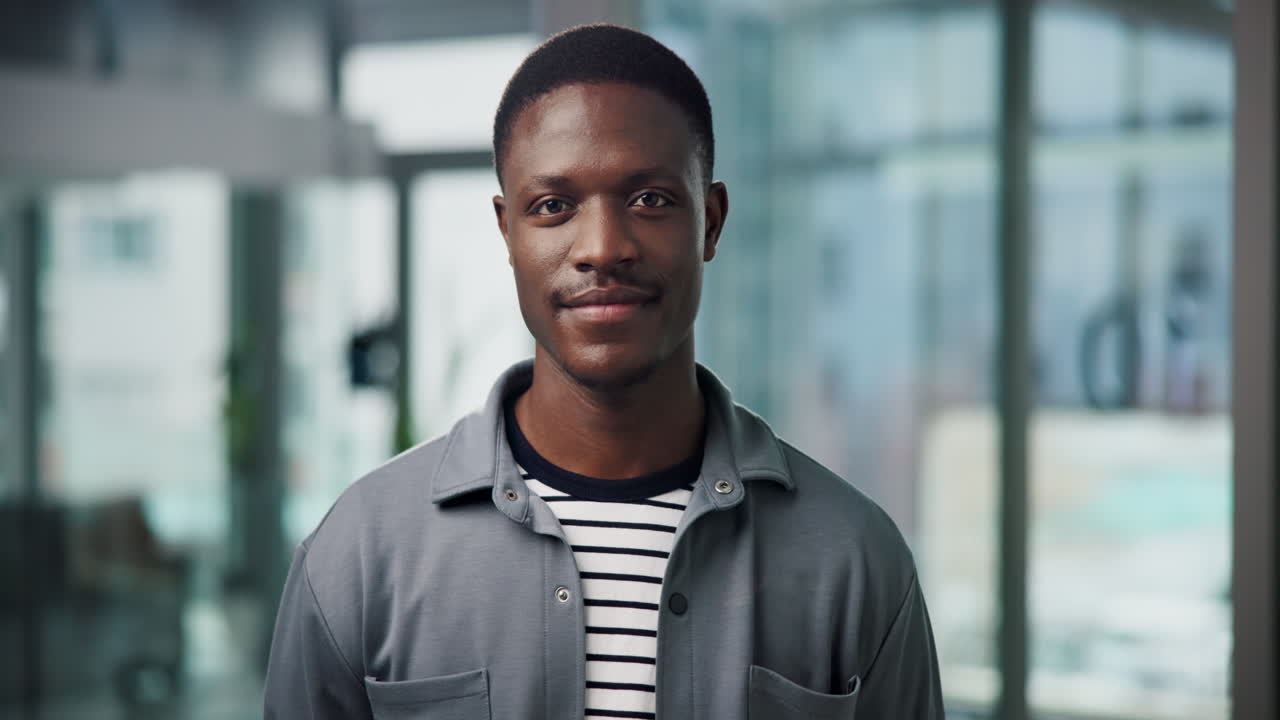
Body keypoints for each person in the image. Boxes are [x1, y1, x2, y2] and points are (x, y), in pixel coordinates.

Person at [264, 23, 943, 719]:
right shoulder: (362, 552)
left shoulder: (853, 560)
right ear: (508, 233)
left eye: (649, 199)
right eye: (553, 206)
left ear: (710, 221)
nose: (601, 248)